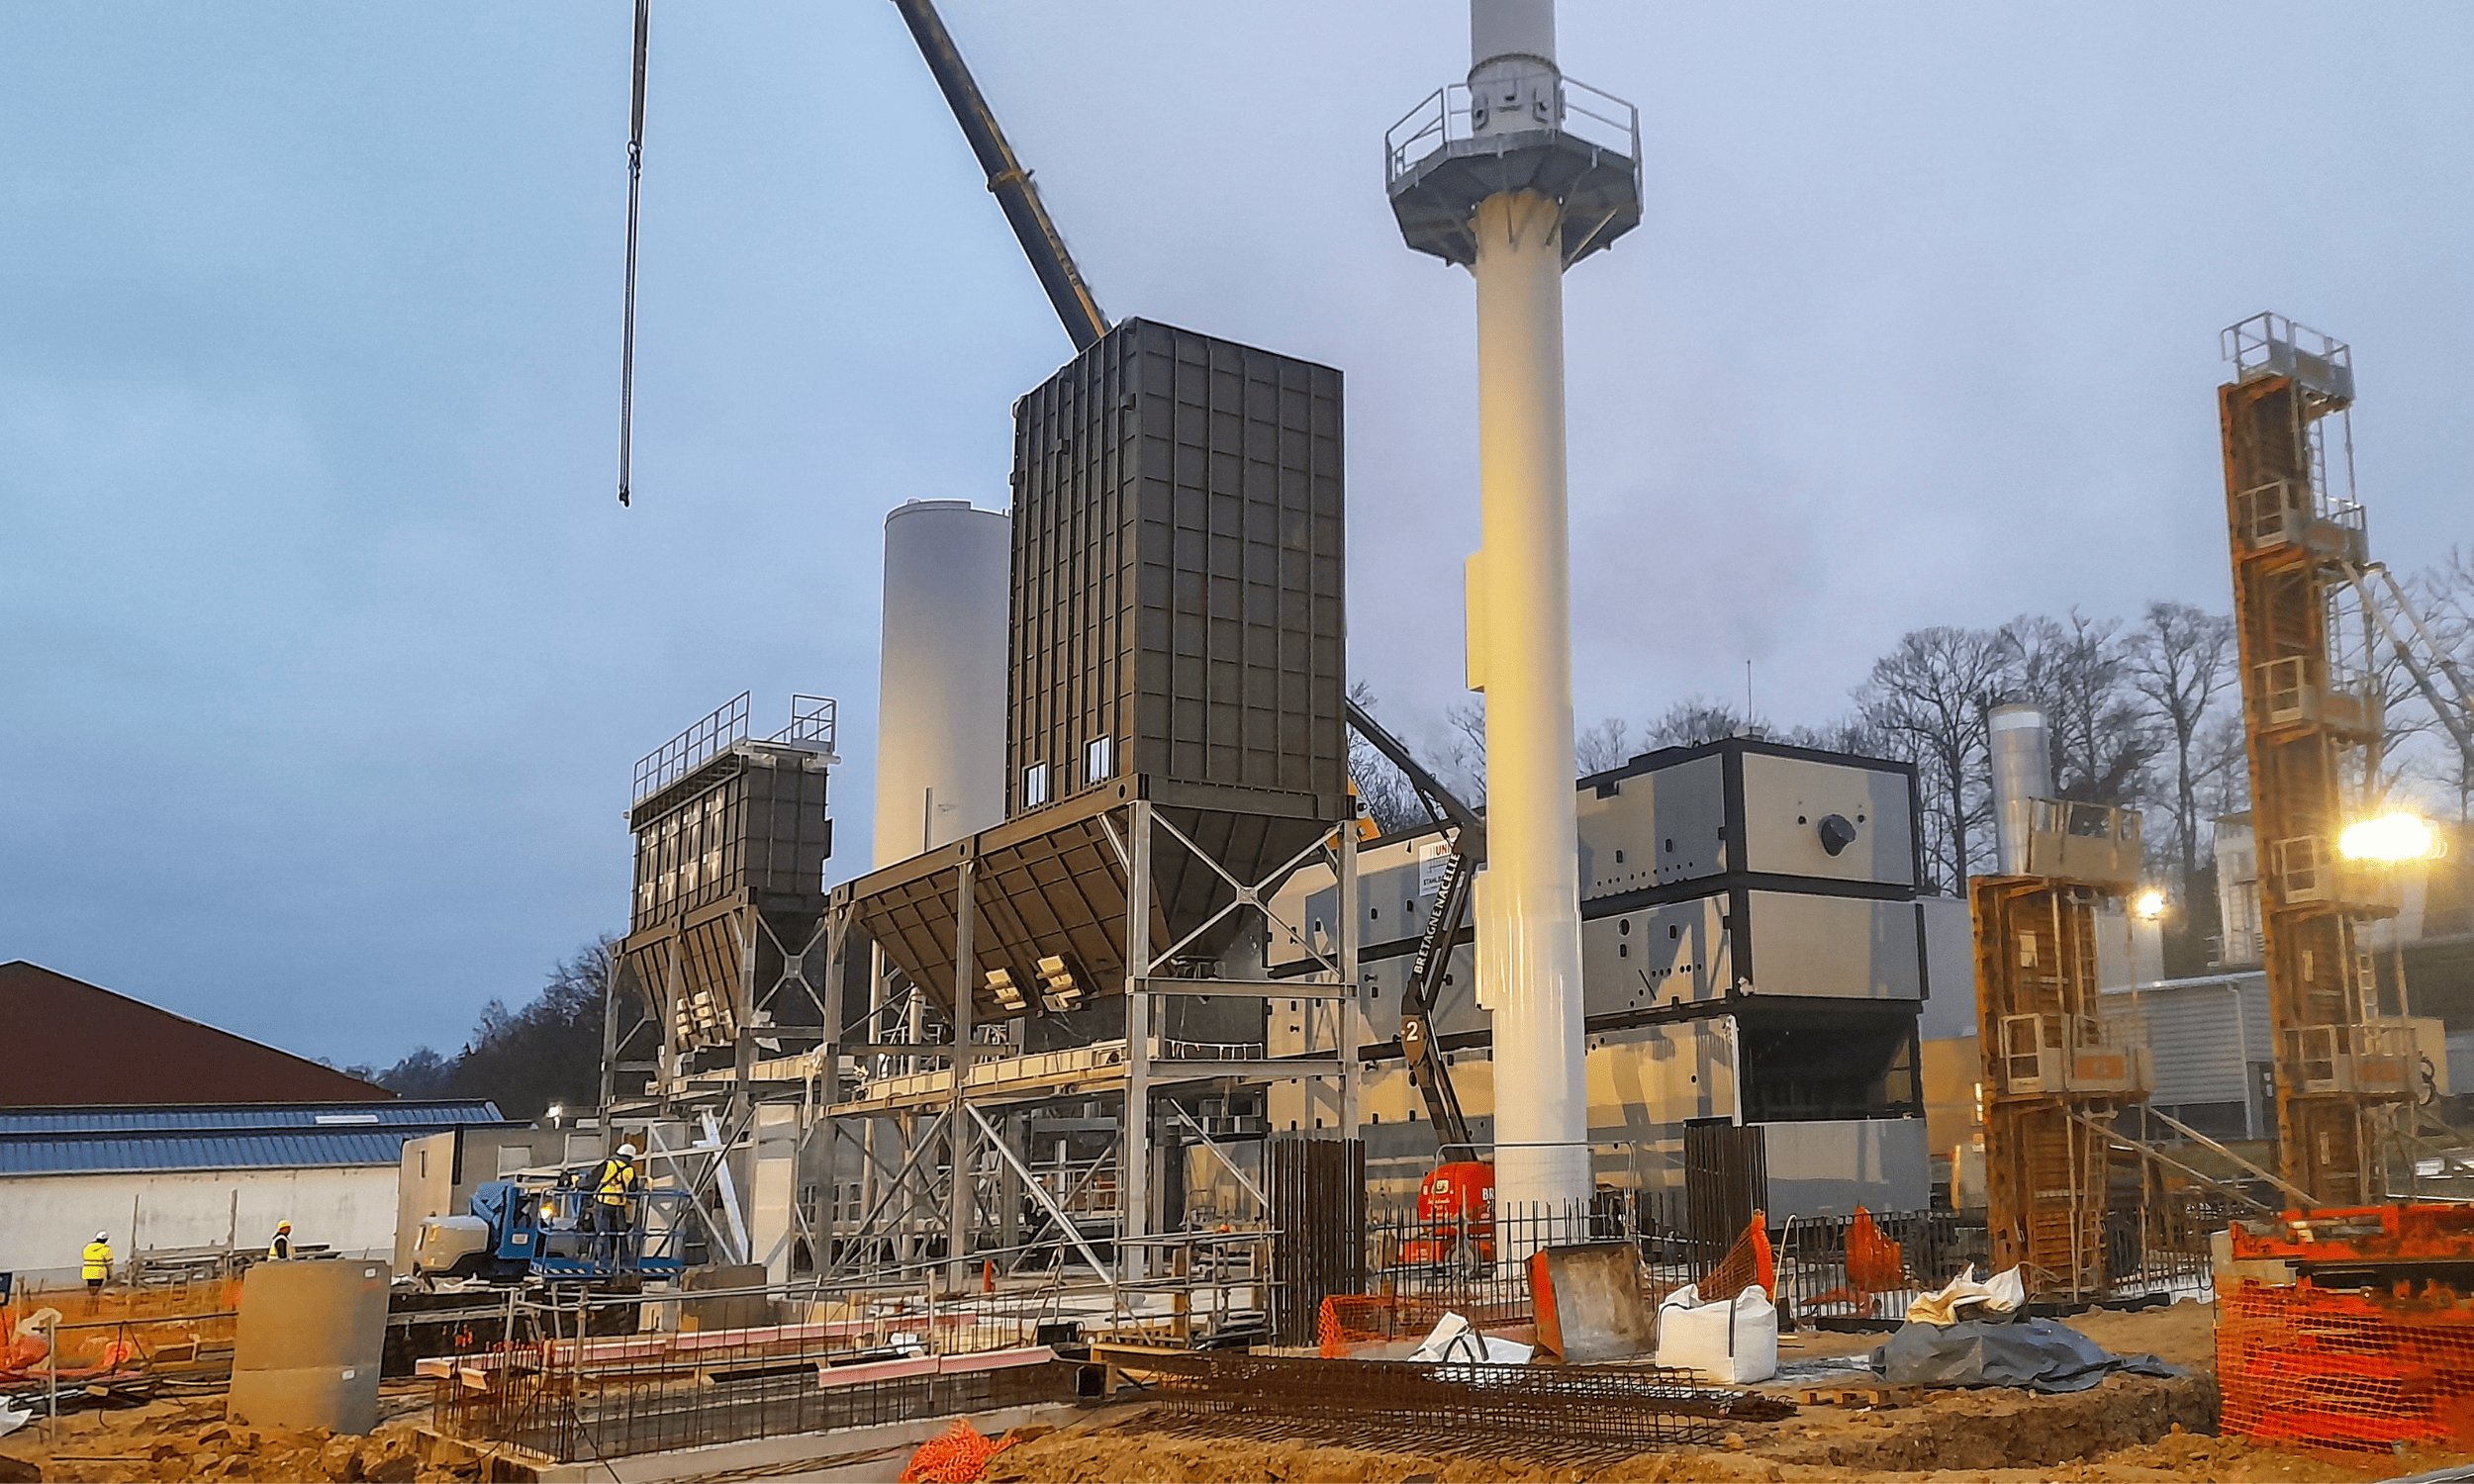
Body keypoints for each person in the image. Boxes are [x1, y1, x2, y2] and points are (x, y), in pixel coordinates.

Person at [591, 1144, 641, 1246]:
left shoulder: (607, 1164)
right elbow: (633, 1192)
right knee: (620, 1235)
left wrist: (578, 1183)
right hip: (619, 1207)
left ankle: (604, 1260)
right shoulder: (630, 1170)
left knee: (602, 1234)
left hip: (603, 1204)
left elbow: (591, 1181)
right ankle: (621, 1258)